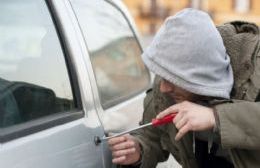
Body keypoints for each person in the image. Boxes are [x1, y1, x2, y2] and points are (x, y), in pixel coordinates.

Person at [108, 8, 260, 168]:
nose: (164, 88)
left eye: (174, 80)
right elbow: (153, 136)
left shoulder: (253, 72)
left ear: (201, 76)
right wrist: (139, 149)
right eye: (164, 77)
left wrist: (215, 117)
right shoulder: (168, 82)